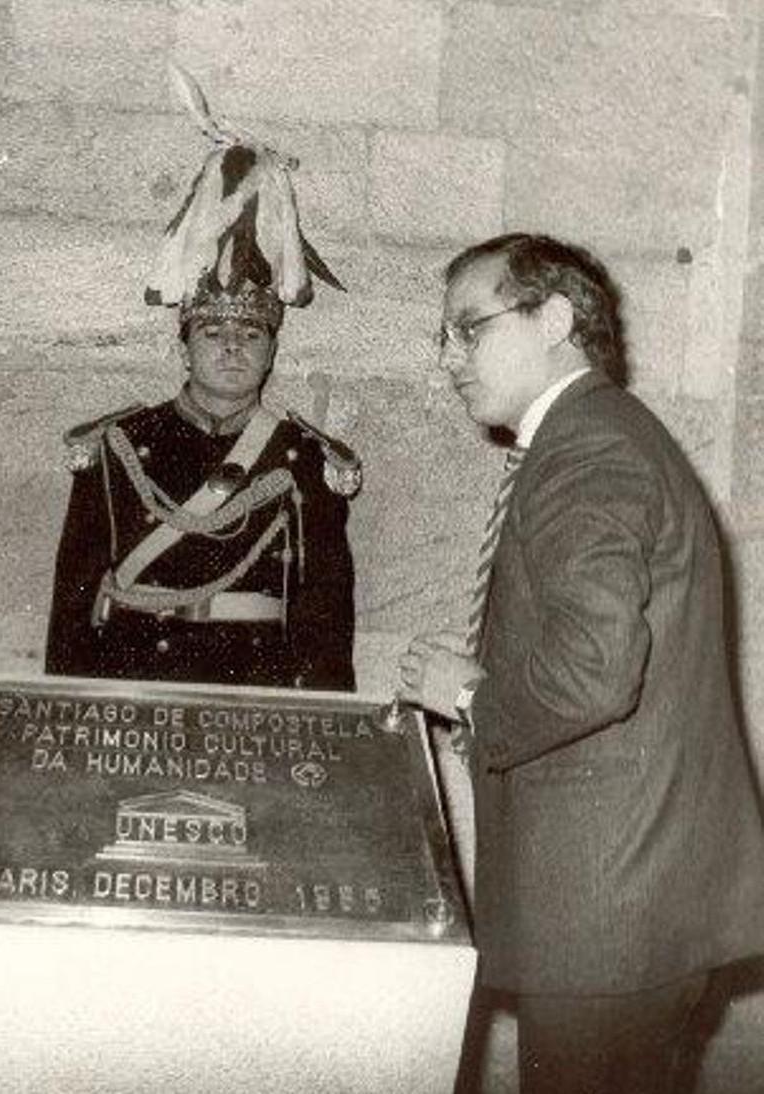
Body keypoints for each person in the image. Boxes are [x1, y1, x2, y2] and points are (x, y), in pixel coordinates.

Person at [396, 233, 764, 1094]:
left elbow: (596, 668)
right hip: (633, 897)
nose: (450, 358)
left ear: (554, 318)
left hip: (608, 906)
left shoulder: (586, 449)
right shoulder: (597, 434)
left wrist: (462, 690)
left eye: (469, 329)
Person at [45, 66, 357, 690]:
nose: (233, 348)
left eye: (252, 335)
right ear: (184, 346)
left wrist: (321, 719)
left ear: (273, 349)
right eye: (213, 334)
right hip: (128, 676)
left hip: (254, 686)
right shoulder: (117, 446)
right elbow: (75, 594)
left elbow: (325, 615)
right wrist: (67, 700)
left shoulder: (303, 460)